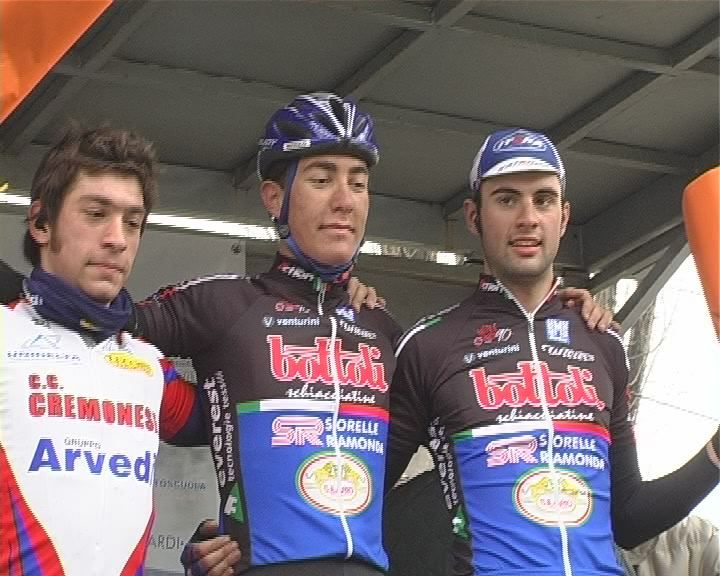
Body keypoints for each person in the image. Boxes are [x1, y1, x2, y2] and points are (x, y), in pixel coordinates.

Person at [0, 100, 611, 576]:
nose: (344, 201)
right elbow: (95, 317)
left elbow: (484, 421)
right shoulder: (222, 304)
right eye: (321, 179)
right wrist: (222, 535)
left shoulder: (386, 329)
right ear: (274, 197)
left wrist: (559, 317)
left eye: (358, 182)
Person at [385, 128, 720, 576]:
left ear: (563, 217)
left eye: (543, 200)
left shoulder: (602, 342)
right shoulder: (429, 346)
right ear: (474, 216)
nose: (528, 218)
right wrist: (337, 298)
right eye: (507, 199)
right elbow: (358, 497)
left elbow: (630, 520)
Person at [0, 126, 207, 575]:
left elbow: (239, 415)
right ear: (41, 223)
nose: (117, 239)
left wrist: (338, 303)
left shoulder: (149, 365)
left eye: (132, 222)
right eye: (96, 214)